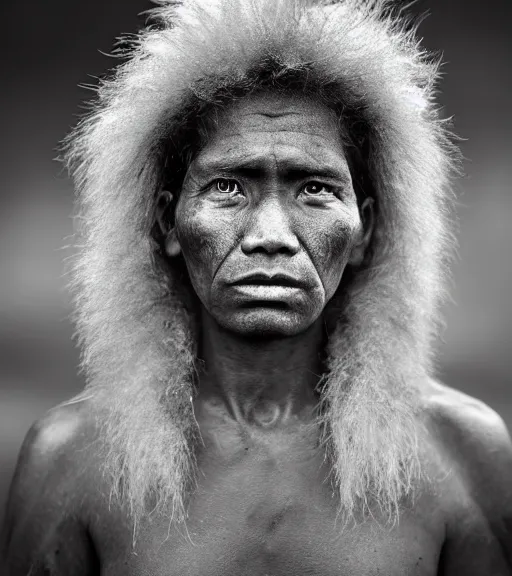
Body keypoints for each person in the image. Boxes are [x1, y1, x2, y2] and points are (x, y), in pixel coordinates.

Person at [2, 0, 512, 574]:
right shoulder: (73, 463)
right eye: (228, 186)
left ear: (365, 230)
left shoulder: (463, 456)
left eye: (314, 188)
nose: (271, 237)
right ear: (168, 222)